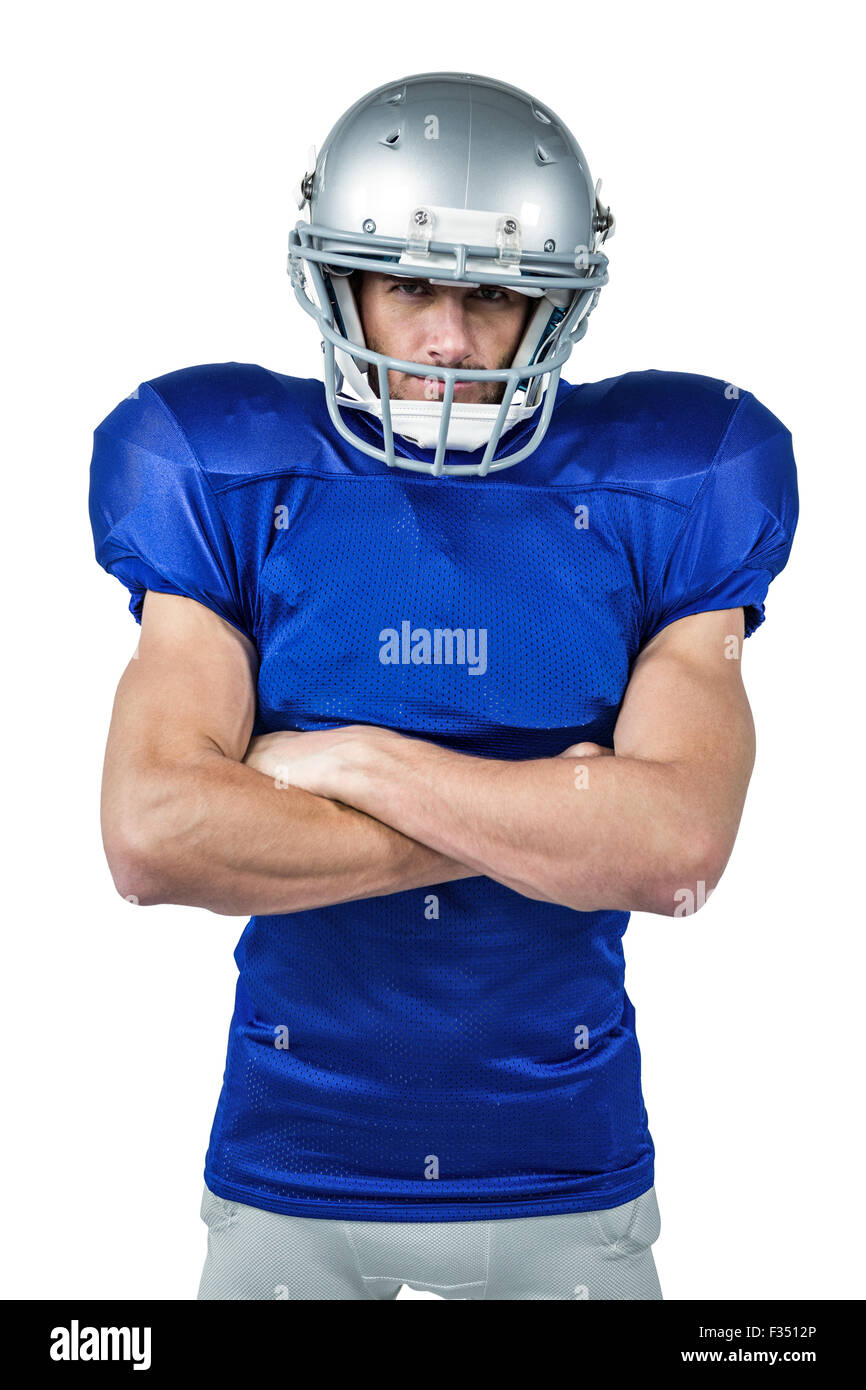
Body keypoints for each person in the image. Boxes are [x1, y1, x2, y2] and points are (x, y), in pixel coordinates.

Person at [88, 71, 799, 1300]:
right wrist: (563, 813)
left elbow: (674, 844)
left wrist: (347, 761)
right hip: (287, 1169)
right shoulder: (215, 462)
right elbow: (154, 835)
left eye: (494, 291)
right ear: (336, 275)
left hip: (564, 1174)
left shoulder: (681, 472)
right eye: (409, 280)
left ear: (556, 303)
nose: (447, 339)